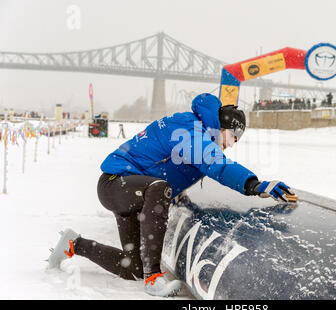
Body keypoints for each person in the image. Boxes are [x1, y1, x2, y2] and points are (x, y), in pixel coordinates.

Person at [47, 93, 296, 297]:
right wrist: (255, 184)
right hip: (115, 184)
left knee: (133, 267)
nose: (232, 144)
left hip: (129, 193)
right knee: (159, 188)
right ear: (222, 127)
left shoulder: (195, 129)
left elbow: (175, 164)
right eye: (233, 136)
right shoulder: (190, 129)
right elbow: (216, 165)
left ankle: (74, 244)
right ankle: (153, 276)